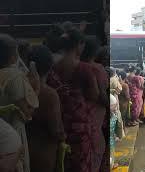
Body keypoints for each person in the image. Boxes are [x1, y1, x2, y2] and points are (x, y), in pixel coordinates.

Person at [46, 29, 100, 172]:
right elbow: (94, 95)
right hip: (80, 122)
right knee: (81, 161)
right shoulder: (85, 68)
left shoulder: (53, 65)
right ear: (79, 45)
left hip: (59, 118)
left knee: (63, 160)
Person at [0, 34, 39, 172]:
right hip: (13, 131)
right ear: (13, 56)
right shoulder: (14, 76)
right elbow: (27, 111)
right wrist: (37, 87)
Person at [26, 45, 66, 172]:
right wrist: (64, 136)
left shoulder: (19, 87)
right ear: (50, 67)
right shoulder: (49, 94)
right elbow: (55, 130)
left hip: (23, 149)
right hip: (43, 154)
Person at [80, 37, 108, 171]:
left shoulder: (75, 66)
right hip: (95, 118)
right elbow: (101, 95)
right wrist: (110, 105)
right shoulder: (97, 69)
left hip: (77, 115)